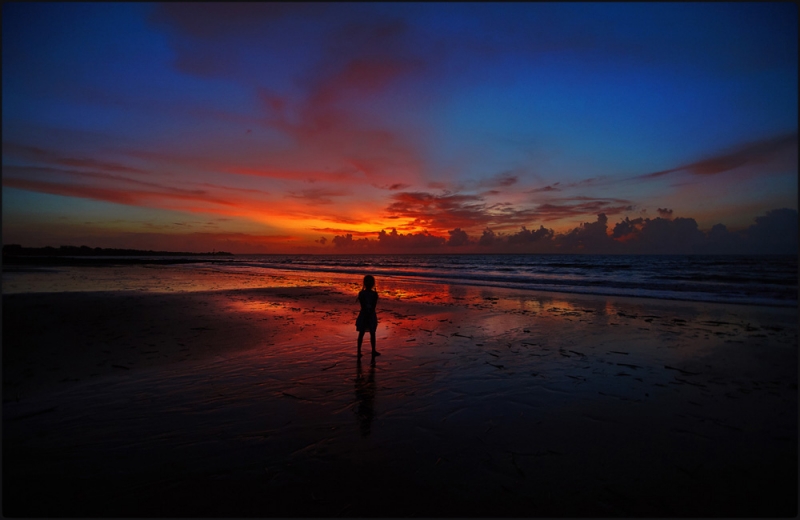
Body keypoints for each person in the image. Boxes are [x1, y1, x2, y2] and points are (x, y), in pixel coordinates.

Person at [355, 275, 380, 357]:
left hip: (366, 314)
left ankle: (366, 351)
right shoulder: (367, 294)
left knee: (368, 333)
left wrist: (368, 313)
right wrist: (368, 313)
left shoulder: (365, 293)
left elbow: (371, 306)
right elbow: (370, 306)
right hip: (367, 314)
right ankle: (364, 351)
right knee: (367, 333)